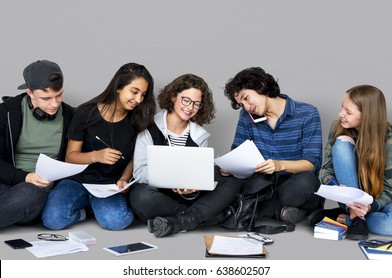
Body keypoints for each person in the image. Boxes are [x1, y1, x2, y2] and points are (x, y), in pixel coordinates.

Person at [42, 62, 156, 231]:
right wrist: (96, 156)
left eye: (143, 94)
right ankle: (84, 213)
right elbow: (70, 156)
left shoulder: (138, 120)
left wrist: (124, 179)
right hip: (77, 181)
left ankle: (96, 207)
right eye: (134, 91)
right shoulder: (85, 113)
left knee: (118, 221)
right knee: (52, 220)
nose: (138, 100)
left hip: (108, 186)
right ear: (119, 86)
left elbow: (134, 157)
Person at [129, 74, 243, 238]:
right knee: (141, 196)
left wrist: (194, 187)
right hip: (159, 196)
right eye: (186, 100)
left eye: (197, 104)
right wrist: (171, 178)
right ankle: (208, 217)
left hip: (187, 197)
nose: (190, 107)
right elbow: (139, 173)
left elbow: (198, 175)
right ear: (174, 97)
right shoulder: (148, 127)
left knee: (232, 181)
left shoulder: (200, 135)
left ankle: (180, 221)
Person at [223, 67, 323, 225]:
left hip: (294, 184)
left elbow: (311, 164)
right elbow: (237, 152)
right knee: (219, 175)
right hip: (262, 185)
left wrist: (279, 165)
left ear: (261, 85)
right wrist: (230, 166)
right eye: (242, 104)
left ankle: (247, 211)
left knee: (307, 181)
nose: (247, 107)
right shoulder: (246, 116)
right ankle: (284, 212)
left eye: (246, 98)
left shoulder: (307, 113)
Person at [308, 85, 392, 238]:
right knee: (341, 144)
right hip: (349, 196)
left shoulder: (389, 140)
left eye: (348, 112)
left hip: (378, 200)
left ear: (367, 116)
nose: (340, 114)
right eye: (342, 106)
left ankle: (347, 218)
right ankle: (354, 215)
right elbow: (326, 170)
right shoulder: (337, 128)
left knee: (389, 225)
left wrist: (369, 206)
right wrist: (336, 187)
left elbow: (390, 188)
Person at [0, 60, 74, 228]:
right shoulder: (6, 113)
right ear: (30, 93)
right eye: (46, 98)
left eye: (59, 95)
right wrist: (25, 177)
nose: (55, 103)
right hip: (8, 183)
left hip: (35, 194)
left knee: (29, 193)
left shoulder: (71, 116)